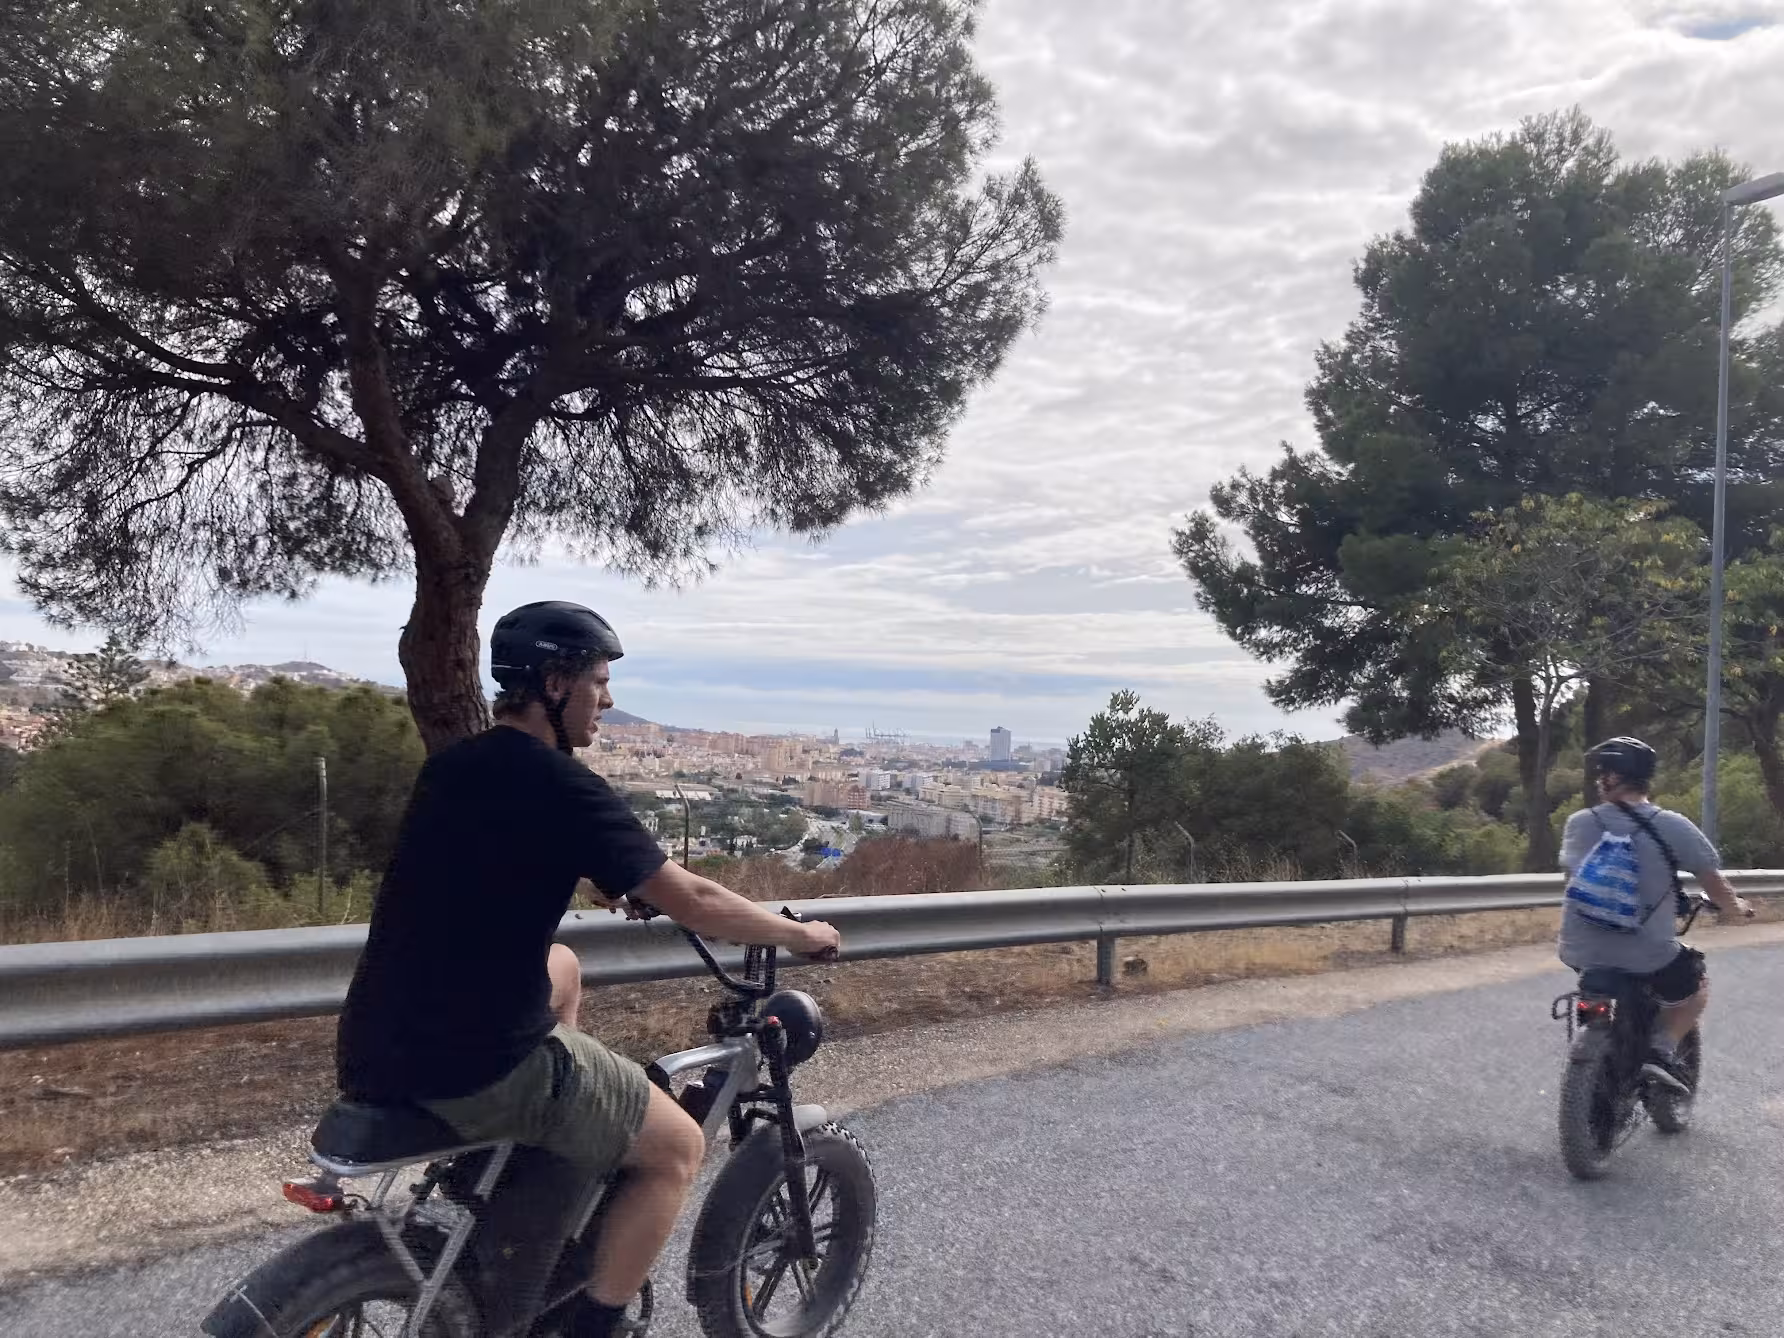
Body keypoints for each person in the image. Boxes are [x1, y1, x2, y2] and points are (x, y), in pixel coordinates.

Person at [335, 600, 841, 1338]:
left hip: (377, 1038)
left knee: (564, 965)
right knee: (677, 1148)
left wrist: (598, 878)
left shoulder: (455, 766)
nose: (607, 700)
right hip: (478, 1062)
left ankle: (539, 1157)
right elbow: (695, 897)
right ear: (553, 682)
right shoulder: (567, 788)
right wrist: (799, 936)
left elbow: (485, 865)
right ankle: (590, 1325)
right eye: (598, 682)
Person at [1558, 736, 1752, 1093]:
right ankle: (1661, 1051)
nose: (1600, 779)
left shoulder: (1579, 823)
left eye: (1603, 772)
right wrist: (1735, 907)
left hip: (1579, 950)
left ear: (1612, 778)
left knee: (1602, 976)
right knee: (1697, 985)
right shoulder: (1673, 825)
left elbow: (1573, 882)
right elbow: (1714, 882)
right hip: (1648, 955)